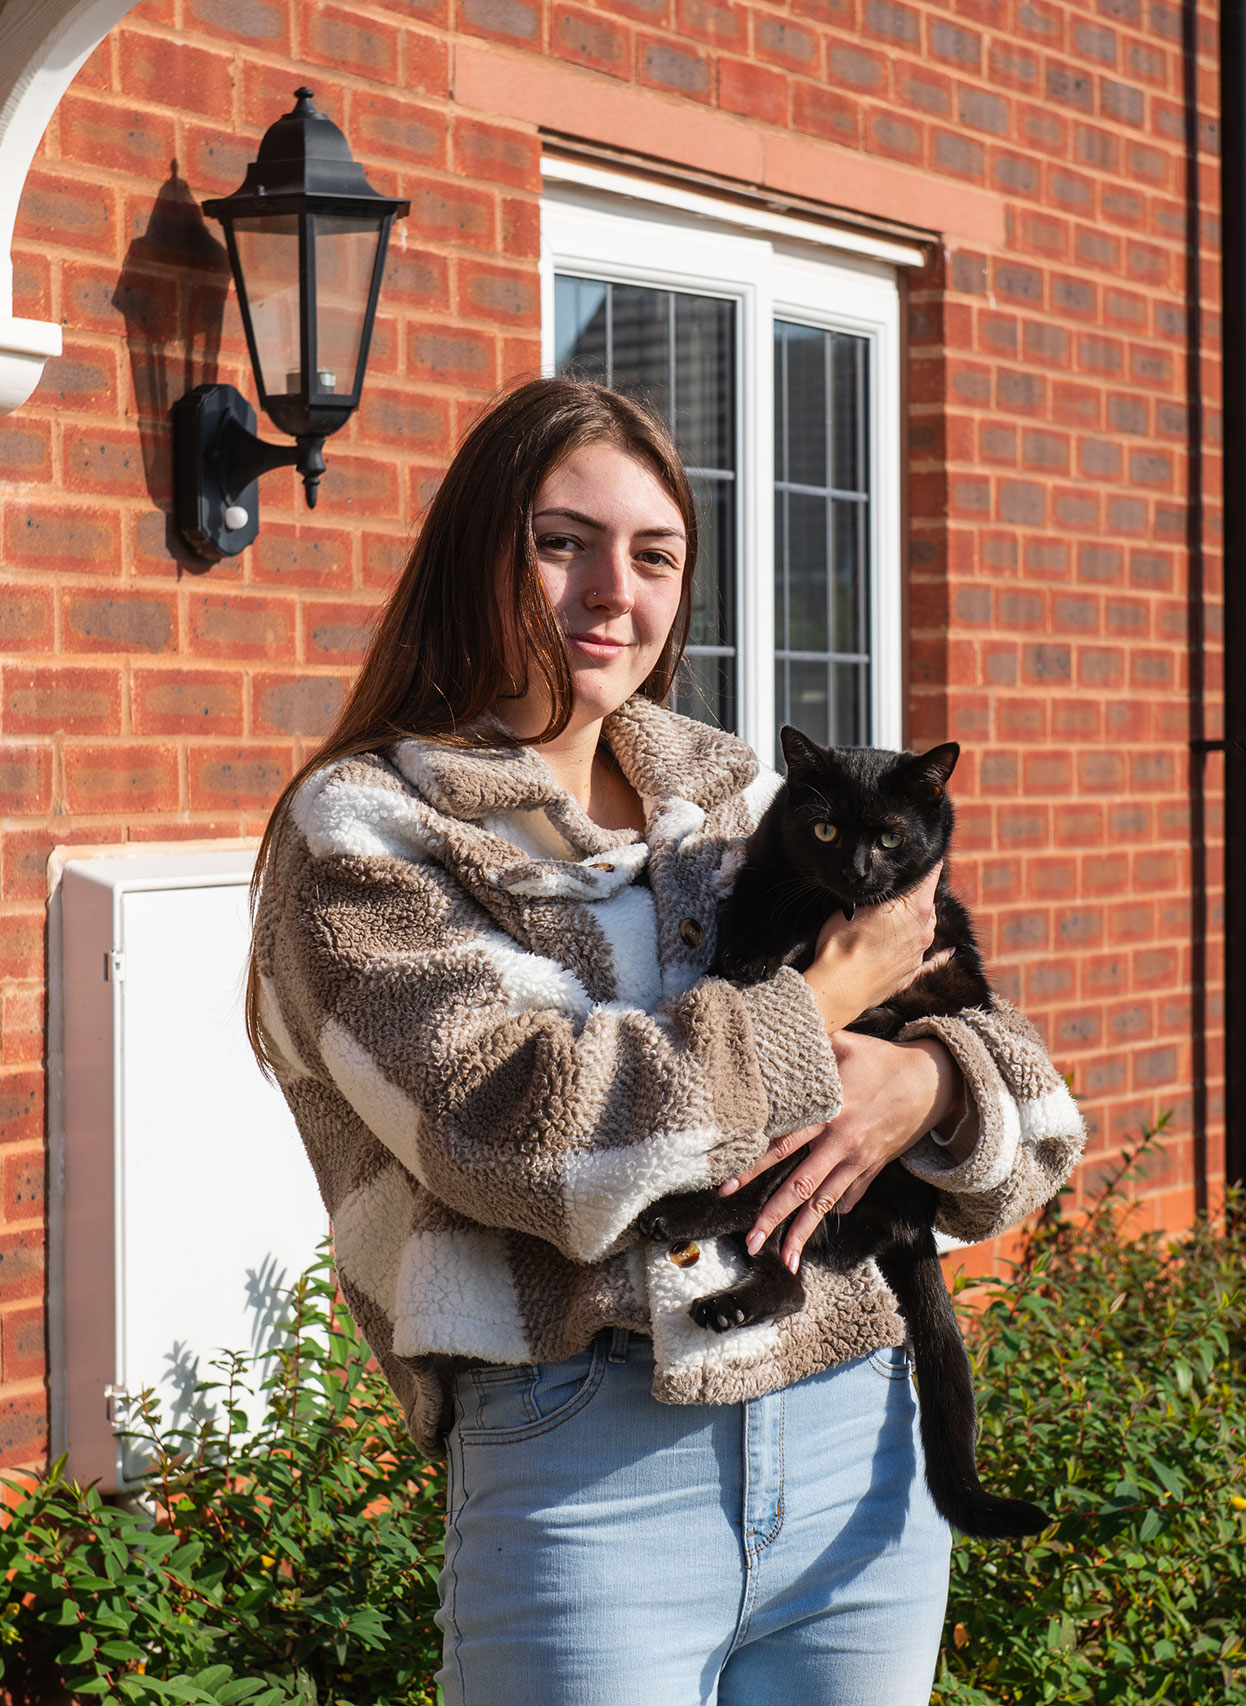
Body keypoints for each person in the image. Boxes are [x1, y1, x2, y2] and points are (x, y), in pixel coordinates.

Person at [246, 376, 1083, 1705]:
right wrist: (817, 1012)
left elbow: (1032, 1115)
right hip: (590, 1466)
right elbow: (520, 1135)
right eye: (560, 540)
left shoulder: (740, 793)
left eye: (654, 554)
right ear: (480, 548)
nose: (609, 592)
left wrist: (921, 1085)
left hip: (858, 1434)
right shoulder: (367, 832)